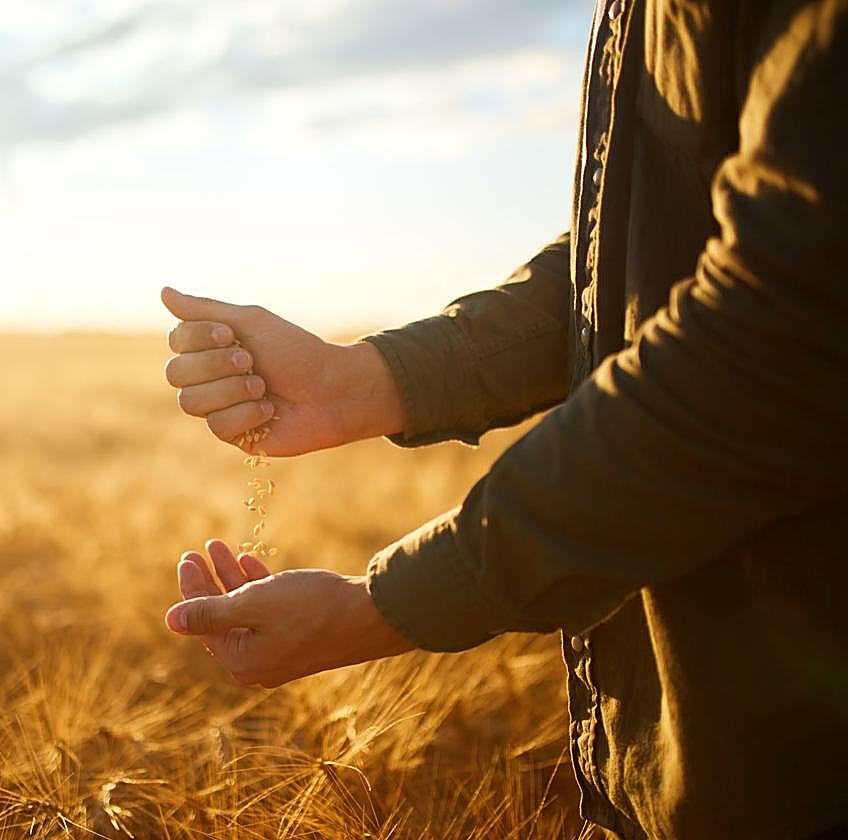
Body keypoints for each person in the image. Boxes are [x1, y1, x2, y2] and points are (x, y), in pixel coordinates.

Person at [159, 1, 848, 838]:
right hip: (681, 767)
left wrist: (380, 606)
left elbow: (779, 341)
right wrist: (360, 381)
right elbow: (638, 252)